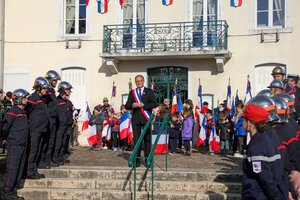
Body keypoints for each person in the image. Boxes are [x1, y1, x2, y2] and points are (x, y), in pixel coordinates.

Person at [241, 103, 289, 199]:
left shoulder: (256, 146)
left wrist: (276, 197)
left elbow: (264, 178)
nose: (242, 123)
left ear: (250, 123)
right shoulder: (266, 139)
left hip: (257, 195)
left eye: (244, 120)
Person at [0, 89, 29, 200]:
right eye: (25, 98)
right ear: (18, 99)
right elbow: (6, 127)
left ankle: (12, 191)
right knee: (12, 168)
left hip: (22, 144)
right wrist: (4, 138)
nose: (26, 100)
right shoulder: (13, 111)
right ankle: (7, 192)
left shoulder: (23, 112)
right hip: (14, 144)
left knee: (19, 168)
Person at [125, 75, 157, 166]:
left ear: (143, 81)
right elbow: (127, 105)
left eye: (140, 81)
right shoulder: (132, 92)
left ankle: (148, 160)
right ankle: (136, 161)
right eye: (137, 81)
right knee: (137, 140)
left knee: (147, 140)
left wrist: (143, 105)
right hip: (136, 119)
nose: (138, 82)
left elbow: (154, 103)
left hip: (146, 118)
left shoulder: (149, 91)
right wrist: (133, 105)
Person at [26, 77, 49, 179]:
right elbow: (27, 112)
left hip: (41, 129)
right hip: (34, 129)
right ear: (38, 88)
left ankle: (34, 170)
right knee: (33, 150)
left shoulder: (41, 99)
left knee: (38, 150)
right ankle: (29, 172)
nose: (46, 90)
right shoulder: (33, 98)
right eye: (44, 88)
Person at [39, 70, 61, 169]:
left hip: (53, 118)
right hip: (48, 119)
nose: (56, 82)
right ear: (50, 79)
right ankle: (42, 160)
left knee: (51, 140)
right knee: (46, 140)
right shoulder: (46, 91)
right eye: (55, 80)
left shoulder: (52, 91)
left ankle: (48, 159)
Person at [52, 81, 74, 166]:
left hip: (66, 125)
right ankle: (55, 158)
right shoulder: (57, 101)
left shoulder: (67, 102)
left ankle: (61, 157)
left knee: (63, 142)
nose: (69, 91)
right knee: (58, 142)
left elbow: (71, 110)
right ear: (63, 90)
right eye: (68, 90)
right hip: (59, 126)